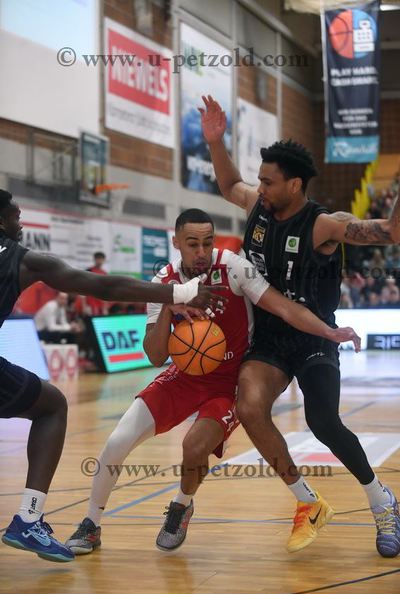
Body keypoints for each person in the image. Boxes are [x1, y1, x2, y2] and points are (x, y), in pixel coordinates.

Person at [65, 209, 359, 555]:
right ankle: (91, 524)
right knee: (117, 441)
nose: (202, 251)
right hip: (184, 376)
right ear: (176, 243)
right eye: (193, 244)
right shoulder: (163, 281)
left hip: (229, 382)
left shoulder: (233, 266)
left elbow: (282, 306)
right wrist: (170, 304)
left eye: (208, 242)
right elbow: (156, 356)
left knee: (193, 447)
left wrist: (329, 331)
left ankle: (181, 504)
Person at [199, 94, 400, 558]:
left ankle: (382, 502)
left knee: (322, 421)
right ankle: (308, 502)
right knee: (250, 408)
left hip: (314, 334)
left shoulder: (325, 225)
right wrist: (215, 141)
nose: (260, 188)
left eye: (268, 182)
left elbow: (390, 232)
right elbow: (229, 184)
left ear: (294, 184)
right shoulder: (257, 207)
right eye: (260, 180)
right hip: (269, 336)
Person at [0, 190, 225, 563]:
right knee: (55, 408)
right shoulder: (23, 259)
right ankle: (33, 518)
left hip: (220, 380)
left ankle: (49, 520)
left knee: (54, 404)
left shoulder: (232, 267)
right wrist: (182, 293)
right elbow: (107, 289)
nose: (19, 225)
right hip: (182, 362)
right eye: (14, 217)